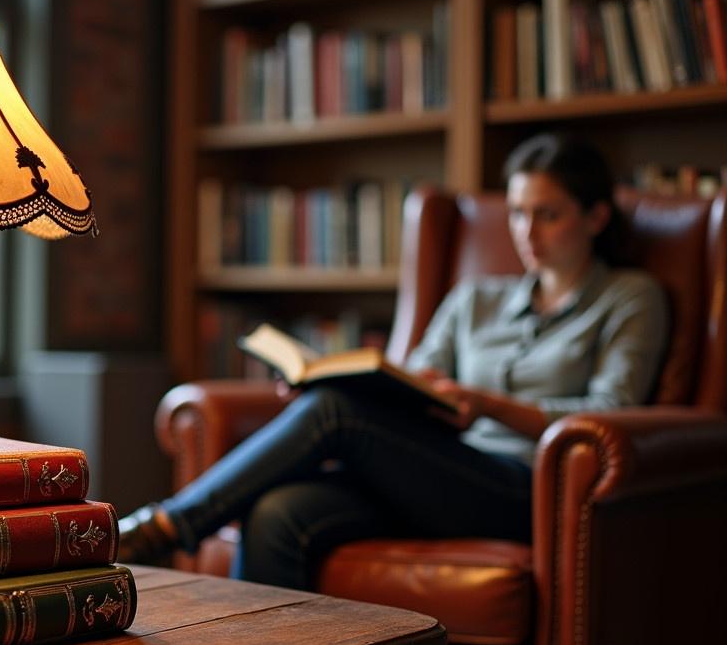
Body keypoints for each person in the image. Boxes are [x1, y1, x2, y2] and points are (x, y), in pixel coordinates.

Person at [118, 133, 669, 590]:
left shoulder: (630, 296)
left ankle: (165, 527)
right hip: (434, 474)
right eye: (519, 213)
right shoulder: (475, 299)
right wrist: (344, 384)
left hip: (529, 490)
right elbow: (417, 381)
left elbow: (609, 411)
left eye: (547, 215)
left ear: (596, 216)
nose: (527, 232)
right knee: (280, 513)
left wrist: (487, 406)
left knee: (335, 412)